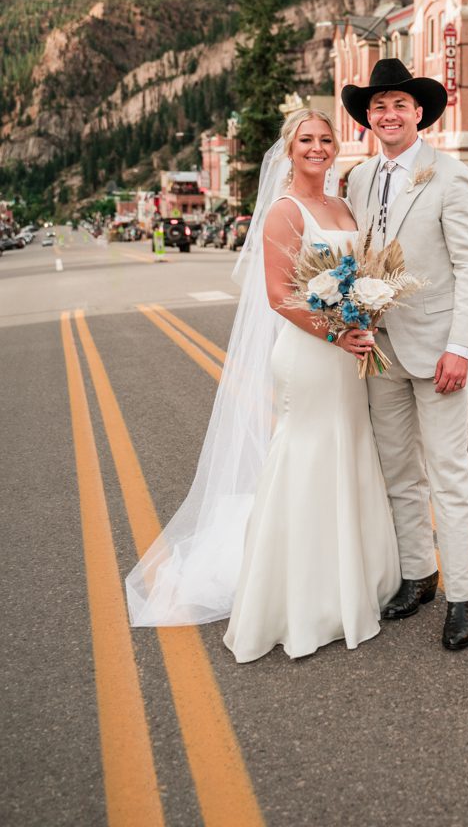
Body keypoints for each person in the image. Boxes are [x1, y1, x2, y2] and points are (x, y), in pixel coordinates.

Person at [127, 108, 400, 661]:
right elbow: (281, 296)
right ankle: (297, 594)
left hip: (347, 351)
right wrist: (338, 333)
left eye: (326, 139)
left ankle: (353, 576)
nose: (318, 148)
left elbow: (363, 273)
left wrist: (365, 314)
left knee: (347, 450)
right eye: (307, 140)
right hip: (312, 354)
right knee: (305, 455)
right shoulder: (285, 213)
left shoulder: (343, 205)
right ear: (289, 149)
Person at [342, 58, 468, 651]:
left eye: (399, 104)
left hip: (437, 352)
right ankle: (417, 575)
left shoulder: (450, 176)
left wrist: (460, 346)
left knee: (449, 475)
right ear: (369, 118)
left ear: (419, 112)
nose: (389, 114)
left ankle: (461, 597)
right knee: (399, 474)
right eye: (378, 106)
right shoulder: (356, 180)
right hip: (378, 351)